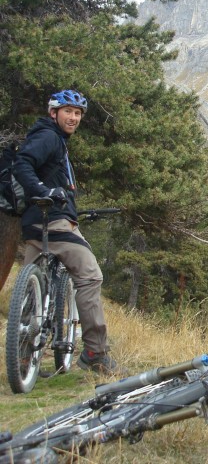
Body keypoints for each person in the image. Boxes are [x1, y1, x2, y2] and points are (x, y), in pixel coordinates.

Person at [13, 89, 119, 374]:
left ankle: (22, 358)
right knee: (90, 275)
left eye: (78, 113)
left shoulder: (52, 138)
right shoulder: (49, 137)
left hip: (36, 224)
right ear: (54, 112)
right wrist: (43, 191)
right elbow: (22, 164)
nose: (73, 117)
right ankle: (95, 352)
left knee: (32, 291)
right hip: (55, 223)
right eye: (68, 111)